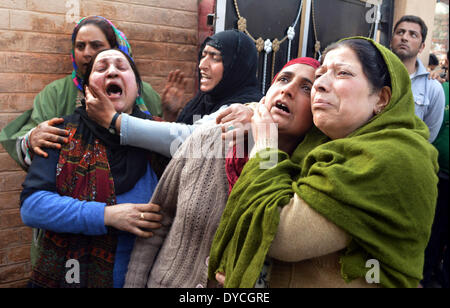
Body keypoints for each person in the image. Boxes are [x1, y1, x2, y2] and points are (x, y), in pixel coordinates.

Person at [209, 37, 439, 288]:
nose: (320, 85)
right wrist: (252, 109)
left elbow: (280, 234)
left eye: (342, 73)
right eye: (320, 74)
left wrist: (265, 148)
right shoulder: (323, 142)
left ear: (382, 99)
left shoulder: (393, 157)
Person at [123, 57, 319, 288]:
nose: (288, 90)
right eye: (283, 79)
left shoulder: (308, 177)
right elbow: (158, 218)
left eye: (306, 88)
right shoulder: (209, 140)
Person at [20, 49, 165, 288]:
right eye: (101, 68)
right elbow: (33, 207)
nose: (112, 71)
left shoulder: (157, 138)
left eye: (121, 66)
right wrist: (107, 216)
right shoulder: (62, 133)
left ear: (137, 88)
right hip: (72, 276)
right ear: (86, 90)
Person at [0, 16, 162, 170]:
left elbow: (165, 142)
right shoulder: (56, 93)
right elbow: (35, 185)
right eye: (80, 46)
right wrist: (31, 139)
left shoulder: (144, 92)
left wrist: (170, 112)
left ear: (117, 50)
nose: (86, 53)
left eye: (96, 45)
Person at [85, 29, 263, 158]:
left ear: (238, 66)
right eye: (203, 55)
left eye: (215, 58)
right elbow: (175, 153)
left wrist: (114, 120)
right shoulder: (204, 102)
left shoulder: (252, 112)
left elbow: (193, 142)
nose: (202, 65)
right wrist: (170, 115)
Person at [390, 15, 445, 142]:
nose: (404, 38)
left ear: (422, 47)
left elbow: (428, 136)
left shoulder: (432, 88)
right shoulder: (373, 76)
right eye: (400, 32)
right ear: (391, 40)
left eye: (413, 35)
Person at [422, 50, 449, 288]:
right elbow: (431, 129)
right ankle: (425, 276)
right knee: (432, 230)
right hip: (439, 176)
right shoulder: (440, 89)